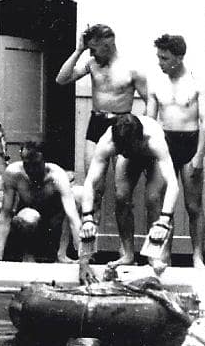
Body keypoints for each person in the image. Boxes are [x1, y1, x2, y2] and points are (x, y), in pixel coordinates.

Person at [55, 24, 148, 238]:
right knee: (92, 188)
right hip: (97, 124)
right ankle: (90, 251)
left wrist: (140, 134)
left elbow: (149, 101)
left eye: (94, 49)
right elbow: (61, 79)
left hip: (122, 126)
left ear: (108, 45)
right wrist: (78, 50)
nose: (92, 53)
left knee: (123, 195)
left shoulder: (131, 68)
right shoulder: (91, 63)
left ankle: (126, 252)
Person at [0, 141, 94, 285]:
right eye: (27, 164)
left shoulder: (57, 175)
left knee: (77, 195)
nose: (31, 170)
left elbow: (73, 217)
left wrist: (83, 262)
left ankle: (61, 254)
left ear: (44, 161)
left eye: (36, 164)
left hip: (54, 224)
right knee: (30, 216)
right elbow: (6, 215)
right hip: (28, 222)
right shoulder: (14, 173)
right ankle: (28, 256)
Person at [79, 113, 179, 275]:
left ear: (140, 140)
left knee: (153, 198)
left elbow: (173, 185)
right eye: (121, 150)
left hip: (152, 157)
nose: (124, 153)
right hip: (134, 154)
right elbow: (90, 182)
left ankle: (158, 256)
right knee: (121, 197)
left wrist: (164, 220)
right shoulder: (108, 142)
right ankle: (128, 254)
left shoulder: (155, 141)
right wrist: (87, 218)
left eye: (128, 149)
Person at [146, 34, 205, 268]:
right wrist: (150, 154)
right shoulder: (156, 83)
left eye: (164, 58)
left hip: (190, 142)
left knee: (193, 206)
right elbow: (150, 122)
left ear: (179, 57)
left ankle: (197, 256)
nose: (160, 62)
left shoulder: (197, 83)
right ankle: (163, 255)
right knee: (157, 201)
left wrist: (199, 157)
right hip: (164, 144)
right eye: (159, 57)